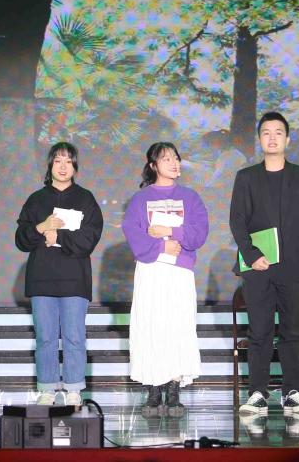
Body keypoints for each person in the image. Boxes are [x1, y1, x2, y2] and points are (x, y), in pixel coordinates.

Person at [231, 112, 299, 415]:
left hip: (294, 267)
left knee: (292, 332)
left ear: (287, 138)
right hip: (259, 267)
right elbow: (237, 221)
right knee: (259, 332)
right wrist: (251, 255)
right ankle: (257, 393)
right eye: (266, 133)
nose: (272, 138)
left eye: (278, 132)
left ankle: (293, 393)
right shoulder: (246, 177)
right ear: (259, 139)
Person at [122, 142, 209, 417]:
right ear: (153, 166)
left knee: (178, 326)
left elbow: (199, 232)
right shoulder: (141, 199)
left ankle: (173, 391)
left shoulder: (190, 197)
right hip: (151, 269)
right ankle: (153, 390)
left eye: (175, 158)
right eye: (166, 158)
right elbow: (133, 233)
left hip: (180, 271)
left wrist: (172, 232)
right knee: (151, 326)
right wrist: (162, 246)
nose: (173, 163)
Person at [15, 142, 104, 406]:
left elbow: (89, 239)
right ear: (50, 165)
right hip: (42, 278)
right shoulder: (36, 199)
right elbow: (21, 239)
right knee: (45, 337)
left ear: (75, 166)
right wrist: (40, 227)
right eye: (58, 161)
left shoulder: (85, 198)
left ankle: (74, 388)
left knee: (74, 336)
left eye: (68, 161)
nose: (63, 166)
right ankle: (47, 388)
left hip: (74, 278)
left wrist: (59, 237)